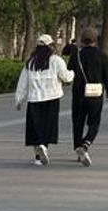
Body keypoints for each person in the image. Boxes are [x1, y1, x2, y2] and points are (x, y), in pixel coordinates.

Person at [14, 34, 74, 166]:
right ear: (50, 46)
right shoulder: (56, 60)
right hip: (52, 98)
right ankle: (44, 146)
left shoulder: (31, 62)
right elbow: (66, 77)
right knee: (48, 125)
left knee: (35, 127)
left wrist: (19, 99)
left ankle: (37, 155)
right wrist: (72, 74)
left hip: (34, 99)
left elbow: (23, 82)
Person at [64, 28, 108, 167]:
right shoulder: (102, 55)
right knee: (94, 121)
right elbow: (106, 75)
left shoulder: (76, 55)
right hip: (95, 93)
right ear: (95, 39)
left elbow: (69, 73)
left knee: (78, 122)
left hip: (79, 94)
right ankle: (86, 143)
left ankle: (78, 147)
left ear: (82, 40)